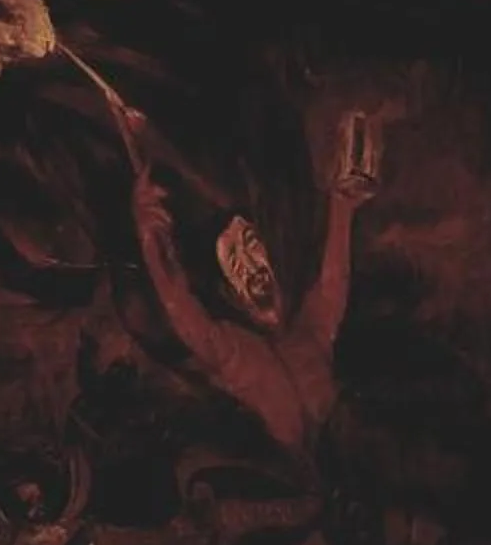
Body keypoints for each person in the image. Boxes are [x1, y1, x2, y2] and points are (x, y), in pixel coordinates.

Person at [114, 98, 378, 457]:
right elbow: (182, 309)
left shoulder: (310, 334)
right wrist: (150, 235)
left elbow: (332, 284)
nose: (249, 264)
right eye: (233, 261)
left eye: (252, 246)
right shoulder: (233, 352)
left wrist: (343, 204)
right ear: (229, 290)